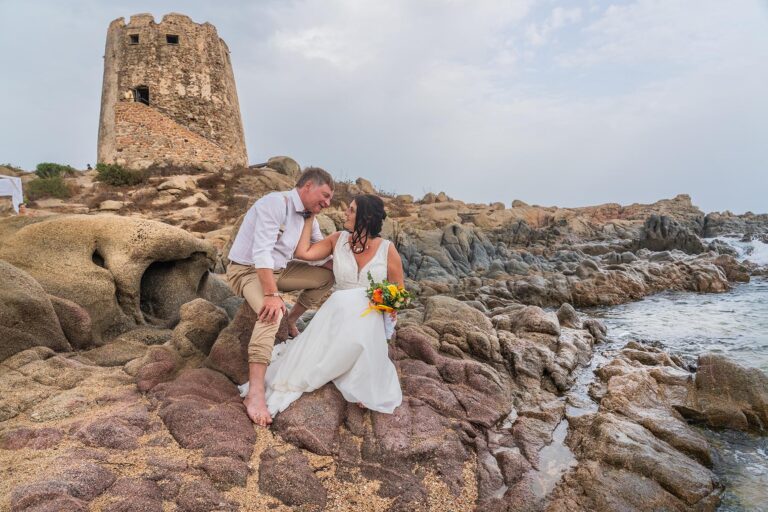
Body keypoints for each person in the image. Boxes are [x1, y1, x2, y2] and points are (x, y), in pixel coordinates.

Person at [239, 194, 404, 418]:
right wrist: (309, 219)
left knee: (359, 308)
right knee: (340, 300)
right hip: (337, 314)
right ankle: (351, 372)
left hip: (369, 315)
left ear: (365, 216)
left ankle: (363, 377)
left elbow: (398, 292)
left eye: (352, 210)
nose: (346, 212)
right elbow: (303, 253)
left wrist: (385, 306)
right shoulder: (338, 239)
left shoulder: (387, 249)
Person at [226, 167, 335, 426]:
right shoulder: (275, 203)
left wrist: (336, 263)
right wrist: (272, 295)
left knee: (326, 277)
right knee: (271, 313)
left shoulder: (310, 217)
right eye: (326, 195)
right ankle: (255, 394)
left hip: (280, 270)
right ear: (308, 186)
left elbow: (317, 250)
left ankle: (293, 319)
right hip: (247, 270)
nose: (328, 203)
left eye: (330, 199)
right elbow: (261, 252)